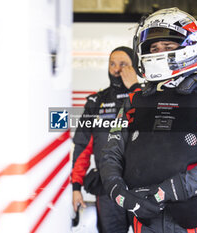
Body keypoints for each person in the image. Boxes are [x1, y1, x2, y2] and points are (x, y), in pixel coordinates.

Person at [99, 8, 197, 233]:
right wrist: (118, 192)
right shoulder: (135, 100)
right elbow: (111, 153)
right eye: (153, 48)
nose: (159, 52)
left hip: (190, 218)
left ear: (189, 46)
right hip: (143, 216)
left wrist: (166, 191)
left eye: (168, 46)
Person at [71, 46, 141, 233]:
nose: (117, 69)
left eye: (123, 64)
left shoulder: (146, 99)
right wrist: (76, 187)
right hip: (108, 188)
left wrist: (136, 90)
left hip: (143, 189)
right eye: (112, 64)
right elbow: (82, 147)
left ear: (135, 67)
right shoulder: (96, 102)